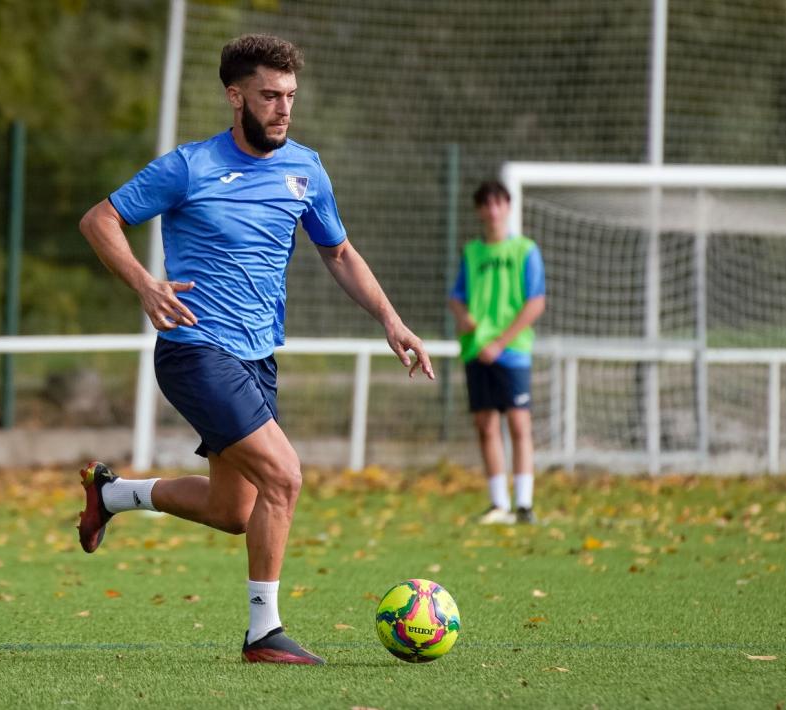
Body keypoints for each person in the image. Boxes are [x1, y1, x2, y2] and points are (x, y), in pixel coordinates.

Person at [76, 34, 433, 665]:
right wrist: (143, 283)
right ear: (235, 96)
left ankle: (111, 495)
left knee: (234, 510)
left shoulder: (307, 170)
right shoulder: (189, 166)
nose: (282, 108)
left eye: (290, 96)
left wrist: (391, 319)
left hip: (257, 358)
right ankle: (262, 634)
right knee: (284, 476)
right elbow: (100, 219)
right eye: (270, 95)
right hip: (193, 350)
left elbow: (339, 253)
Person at [448, 180, 546, 525]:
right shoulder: (472, 253)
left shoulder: (525, 250)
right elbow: (456, 296)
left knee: (519, 423)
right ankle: (498, 504)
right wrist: (464, 318)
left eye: (498, 204)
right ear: (479, 211)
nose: (492, 211)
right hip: (477, 350)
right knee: (485, 425)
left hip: (512, 350)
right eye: (486, 205)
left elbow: (536, 302)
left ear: (507, 207)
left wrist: (500, 342)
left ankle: (524, 504)